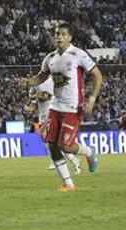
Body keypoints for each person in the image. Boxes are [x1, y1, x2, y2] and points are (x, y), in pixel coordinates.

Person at [22, 22, 102, 192]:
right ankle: (68, 184)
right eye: (57, 34)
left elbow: (97, 75)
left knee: (65, 146)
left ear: (70, 37)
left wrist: (92, 99)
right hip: (55, 107)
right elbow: (42, 76)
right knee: (51, 144)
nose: (59, 37)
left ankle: (89, 152)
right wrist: (30, 81)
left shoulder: (78, 55)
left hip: (72, 108)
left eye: (63, 34)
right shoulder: (50, 58)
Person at [24, 76, 81, 173]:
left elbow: (48, 96)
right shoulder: (36, 85)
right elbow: (33, 102)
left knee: (52, 141)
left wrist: (39, 96)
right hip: (43, 116)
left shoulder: (53, 80)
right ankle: (74, 161)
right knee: (51, 142)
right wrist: (29, 108)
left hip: (53, 114)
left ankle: (60, 161)